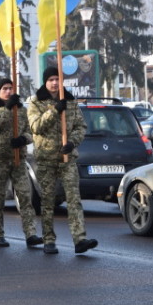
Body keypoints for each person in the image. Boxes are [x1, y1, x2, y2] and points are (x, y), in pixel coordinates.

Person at [28, 67, 98, 254]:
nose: (54, 83)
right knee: (48, 200)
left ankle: (80, 239)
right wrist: (53, 110)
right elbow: (36, 127)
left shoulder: (70, 101)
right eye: (51, 79)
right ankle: (49, 240)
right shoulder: (36, 102)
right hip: (46, 159)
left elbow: (80, 126)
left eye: (57, 79)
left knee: (74, 199)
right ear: (45, 81)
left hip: (67, 159)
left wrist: (72, 142)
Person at [0, 78, 43, 248]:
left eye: (10, 88)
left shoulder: (21, 110)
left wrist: (24, 139)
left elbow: (31, 132)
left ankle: (31, 234)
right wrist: (8, 108)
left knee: (25, 197)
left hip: (18, 159)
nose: (8, 91)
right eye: (4, 89)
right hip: (0, 159)